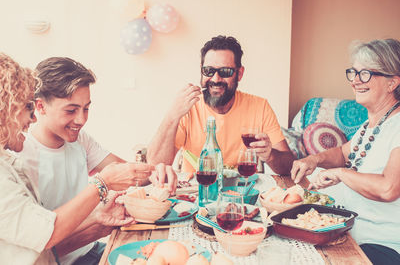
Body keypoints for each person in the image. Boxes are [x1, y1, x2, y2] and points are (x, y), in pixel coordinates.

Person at [17, 57, 177, 265]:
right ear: (41, 106)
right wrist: (95, 225)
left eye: (86, 108)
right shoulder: (21, 158)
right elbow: (37, 250)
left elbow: (129, 175)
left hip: (92, 251)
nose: (81, 120)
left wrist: (157, 171)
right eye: (71, 110)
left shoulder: (79, 139)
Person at [290, 39, 400, 265]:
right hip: (350, 234)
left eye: (366, 73)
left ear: (392, 83)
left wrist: (341, 173)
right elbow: (343, 153)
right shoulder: (371, 125)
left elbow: (389, 188)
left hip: (383, 245)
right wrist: (314, 159)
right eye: (354, 73)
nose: (355, 81)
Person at [147, 35, 295, 175]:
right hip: (196, 192)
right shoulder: (188, 107)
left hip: (242, 193)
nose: (216, 79)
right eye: (209, 71)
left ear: (240, 73)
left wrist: (270, 155)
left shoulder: (259, 106)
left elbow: (289, 166)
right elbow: (155, 164)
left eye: (225, 71)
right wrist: (172, 116)